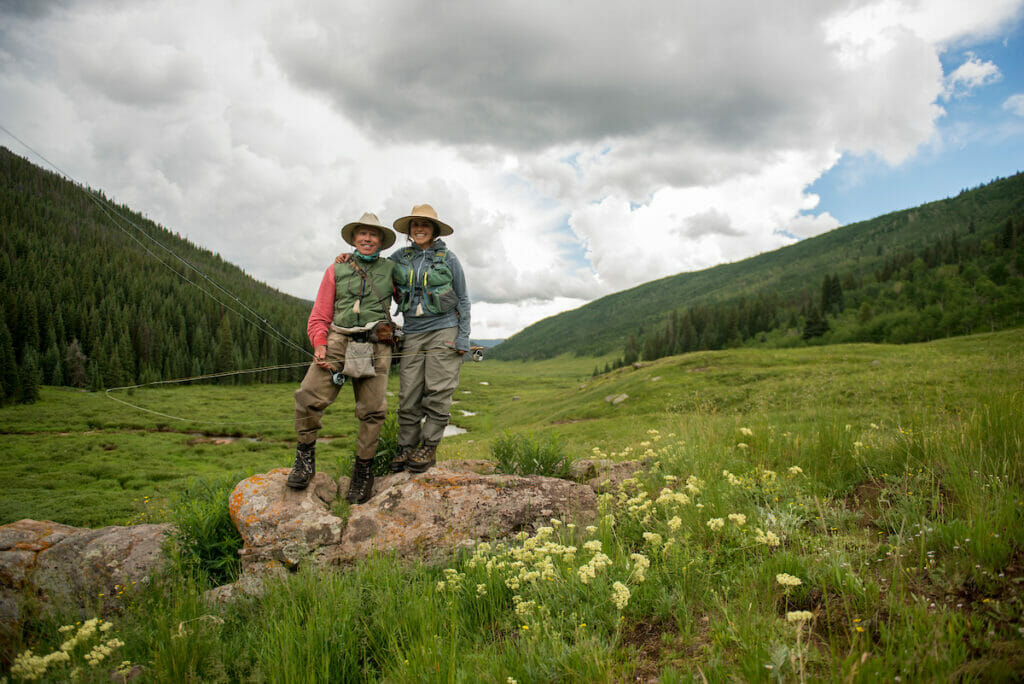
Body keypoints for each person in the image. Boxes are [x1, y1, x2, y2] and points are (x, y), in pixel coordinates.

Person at [336, 203, 471, 474]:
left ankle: (428, 446)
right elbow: (371, 264)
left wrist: (463, 338)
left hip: (445, 329)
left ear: (434, 230)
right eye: (415, 225)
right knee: (408, 393)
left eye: (425, 225)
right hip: (412, 331)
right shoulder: (398, 257)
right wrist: (348, 258)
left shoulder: (450, 259)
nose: (419, 229)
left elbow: (464, 298)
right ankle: (405, 448)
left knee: (437, 391)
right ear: (410, 230)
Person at [289, 212, 397, 504]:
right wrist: (319, 344)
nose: (367, 238)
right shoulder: (334, 270)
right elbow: (320, 315)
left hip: (376, 345)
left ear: (381, 242)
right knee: (308, 397)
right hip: (338, 340)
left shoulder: (392, 270)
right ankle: (304, 459)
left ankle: (363, 473)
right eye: (362, 233)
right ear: (353, 238)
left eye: (373, 235)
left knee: (373, 410)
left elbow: (410, 300)